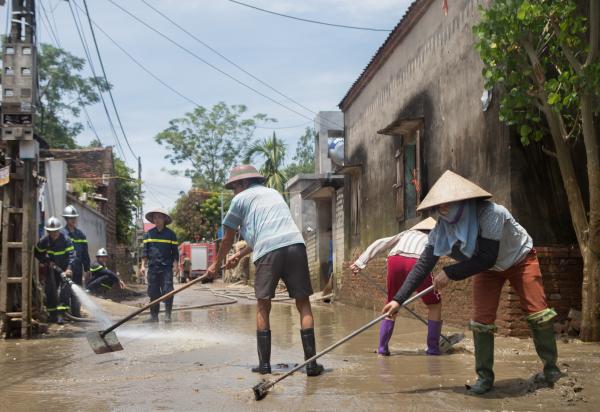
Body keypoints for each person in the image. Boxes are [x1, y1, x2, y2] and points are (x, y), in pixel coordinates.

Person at [382, 170, 561, 394]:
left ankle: (552, 370)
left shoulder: (491, 213)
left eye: (448, 204)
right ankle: (484, 378)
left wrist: (449, 272)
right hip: (488, 269)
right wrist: (398, 300)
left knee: (538, 314)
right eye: (439, 207)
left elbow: (487, 256)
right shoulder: (441, 230)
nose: (443, 210)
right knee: (481, 321)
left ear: (464, 200)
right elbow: (423, 265)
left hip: (519, 259)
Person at [206, 165, 323, 376]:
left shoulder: (239, 200)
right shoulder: (273, 193)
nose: (233, 191)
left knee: (262, 305)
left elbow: (227, 238)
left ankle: (265, 365)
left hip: (269, 252)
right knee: (303, 303)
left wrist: (215, 264)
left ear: (242, 183)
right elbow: (269, 232)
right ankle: (312, 365)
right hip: (295, 245)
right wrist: (238, 255)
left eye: (234, 186)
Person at [350, 217, 441, 356]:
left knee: (392, 304)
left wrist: (360, 262)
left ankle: (382, 348)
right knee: (434, 304)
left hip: (395, 259)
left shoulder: (407, 233)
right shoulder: (436, 236)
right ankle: (433, 349)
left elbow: (380, 243)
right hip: (418, 262)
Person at [34, 217, 75, 324]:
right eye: (51, 232)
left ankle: (62, 315)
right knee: (50, 291)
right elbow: (37, 252)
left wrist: (69, 269)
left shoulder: (66, 240)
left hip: (65, 269)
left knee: (65, 291)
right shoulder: (44, 241)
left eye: (55, 231)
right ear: (48, 231)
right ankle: (53, 316)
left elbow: (72, 256)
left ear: (59, 230)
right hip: (52, 270)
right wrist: (46, 260)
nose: (54, 234)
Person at [141, 208, 179, 323]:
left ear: (164, 219)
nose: (156, 219)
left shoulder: (171, 235)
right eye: (154, 217)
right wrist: (143, 265)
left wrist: (176, 266)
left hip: (166, 268)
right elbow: (145, 252)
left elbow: (175, 252)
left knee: (168, 291)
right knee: (153, 292)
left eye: (159, 217)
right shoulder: (148, 234)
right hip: (152, 268)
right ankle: (154, 316)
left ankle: (167, 315)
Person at [62, 205, 91, 318]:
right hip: (66, 268)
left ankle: (76, 313)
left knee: (77, 292)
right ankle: (65, 315)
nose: (73, 220)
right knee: (65, 291)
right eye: (70, 218)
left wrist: (87, 269)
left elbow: (85, 253)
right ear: (66, 219)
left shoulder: (81, 235)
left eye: (74, 218)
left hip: (78, 268)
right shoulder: (62, 234)